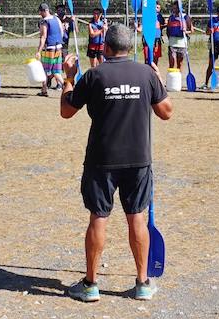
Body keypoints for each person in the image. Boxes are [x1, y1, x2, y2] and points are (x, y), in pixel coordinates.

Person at [58, 22, 172, 303]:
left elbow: (66, 111)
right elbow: (166, 112)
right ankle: (143, 283)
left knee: (99, 217)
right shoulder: (146, 73)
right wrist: (158, 80)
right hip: (138, 160)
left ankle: (90, 285)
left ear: (106, 48)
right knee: (137, 217)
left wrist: (69, 78)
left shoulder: (95, 75)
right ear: (129, 47)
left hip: (101, 160)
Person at [37, 3, 65, 94]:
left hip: (49, 49)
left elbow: (43, 37)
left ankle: (44, 90)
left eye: (40, 12)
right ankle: (68, 88)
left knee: (44, 70)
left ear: (44, 11)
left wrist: (39, 51)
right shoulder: (56, 18)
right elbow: (62, 31)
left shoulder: (44, 21)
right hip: (59, 47)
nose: (40, 14)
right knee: (56, 71)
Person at [163, 4, 191, 72]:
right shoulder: (171, 18)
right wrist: (170, 39)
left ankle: (178, 80)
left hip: (182, 44)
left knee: (180, 64)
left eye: (176, 8)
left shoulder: (186, 17)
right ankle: (170, 81)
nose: (174, 10)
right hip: (172, 44)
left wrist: (185, 31)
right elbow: (168, 30)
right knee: (172, 63)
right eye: (174, 8)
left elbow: (191, 30)